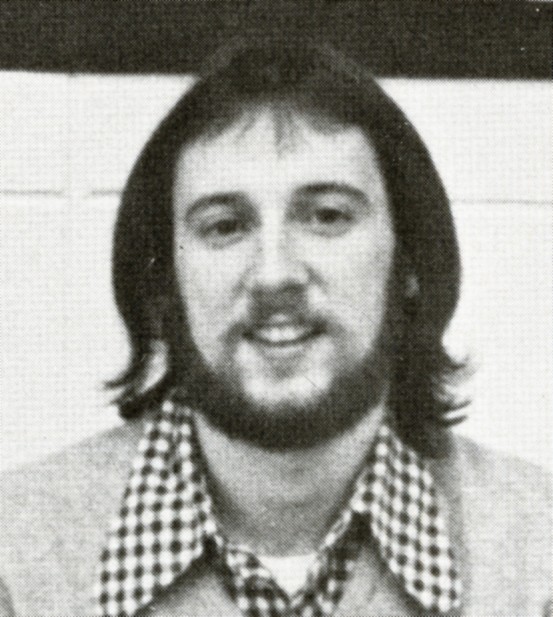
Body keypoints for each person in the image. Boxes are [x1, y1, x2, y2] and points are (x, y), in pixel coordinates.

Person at [0, 40, 550, 617]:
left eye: (327, 216)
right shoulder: (16, 560)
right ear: (163, 281)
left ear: (409, 261)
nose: (274, 274)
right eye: (224, 226)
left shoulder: (538, 560)